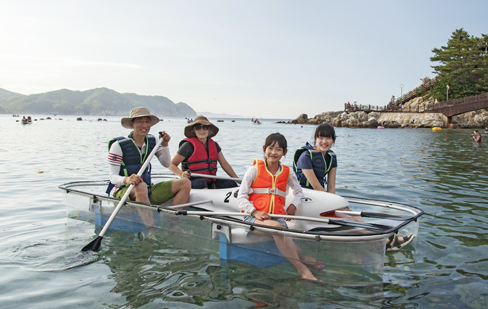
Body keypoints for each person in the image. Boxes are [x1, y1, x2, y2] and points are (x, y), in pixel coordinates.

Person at [293, 124, 413, 251]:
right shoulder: (305, 156)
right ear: (315, 138)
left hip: (320, 197)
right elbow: (316, 187)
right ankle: (377, 239)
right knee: (344, 214)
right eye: (321, 137)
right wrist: (332, 205)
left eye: (328, 138)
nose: (324, 141)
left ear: (333, 139)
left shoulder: (331, 157)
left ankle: (381, 233)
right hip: (304, 197)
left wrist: (336, 204)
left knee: (345, 211)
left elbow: (331, 186)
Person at [237, 133, 322, 281]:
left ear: (284, 153)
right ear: (264, 149)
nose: (274, 152)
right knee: (278, 229)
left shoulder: (288, 173)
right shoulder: (254, 170)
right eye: (270, 148)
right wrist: (255, 212)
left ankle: (301, 256)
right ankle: (303, 270)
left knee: (281, 230)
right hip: (253, 219)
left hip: (276, 218)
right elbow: (241, 196)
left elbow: (298, 192)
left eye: (278, 149)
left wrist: (294, 205)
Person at [107, 107, 191, 230]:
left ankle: (173, 223)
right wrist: (127, 180)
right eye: (140, 122)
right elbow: (113, 177)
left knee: (185, 182)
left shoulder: (153, 141)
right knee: (140, 186)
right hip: (122, 191)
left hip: (146, 189)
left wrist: (165, 145)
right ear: (132, 124)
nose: (144, 125)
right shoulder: (118, 146)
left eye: (147, 122)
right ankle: (151, 230)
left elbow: (166, 163)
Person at [169, 116, 239, 189]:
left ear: (209, 129)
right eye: (198, 127)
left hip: (211, 182)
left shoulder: (214, 145)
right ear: (194, 130)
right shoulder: (187, 146)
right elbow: (171, 165)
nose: (202, 130)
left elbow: (225, 165)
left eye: (205, 127)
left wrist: (239, 181)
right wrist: (182, 174)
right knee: (201, 183)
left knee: (230, 183)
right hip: (193, 182)